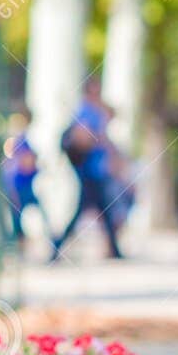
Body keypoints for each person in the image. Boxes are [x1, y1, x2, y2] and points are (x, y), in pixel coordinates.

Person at [51, 79, 124, 261]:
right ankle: (56, 248)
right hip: (89, 170)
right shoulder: (86, 111)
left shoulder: (92, 111)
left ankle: (114, 250)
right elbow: (84, 137)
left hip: (95, 169)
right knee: (92, 211)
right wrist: (102, 142)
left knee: (103, 210)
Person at [1, 111, 49, 243]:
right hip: (19, 185)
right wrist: (38, 166)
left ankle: (47, 240)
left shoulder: (21, 140)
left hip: (21, 185)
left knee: (20, 216)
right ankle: (17, 245)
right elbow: (25, 164)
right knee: (17, 218)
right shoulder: (20, 140)